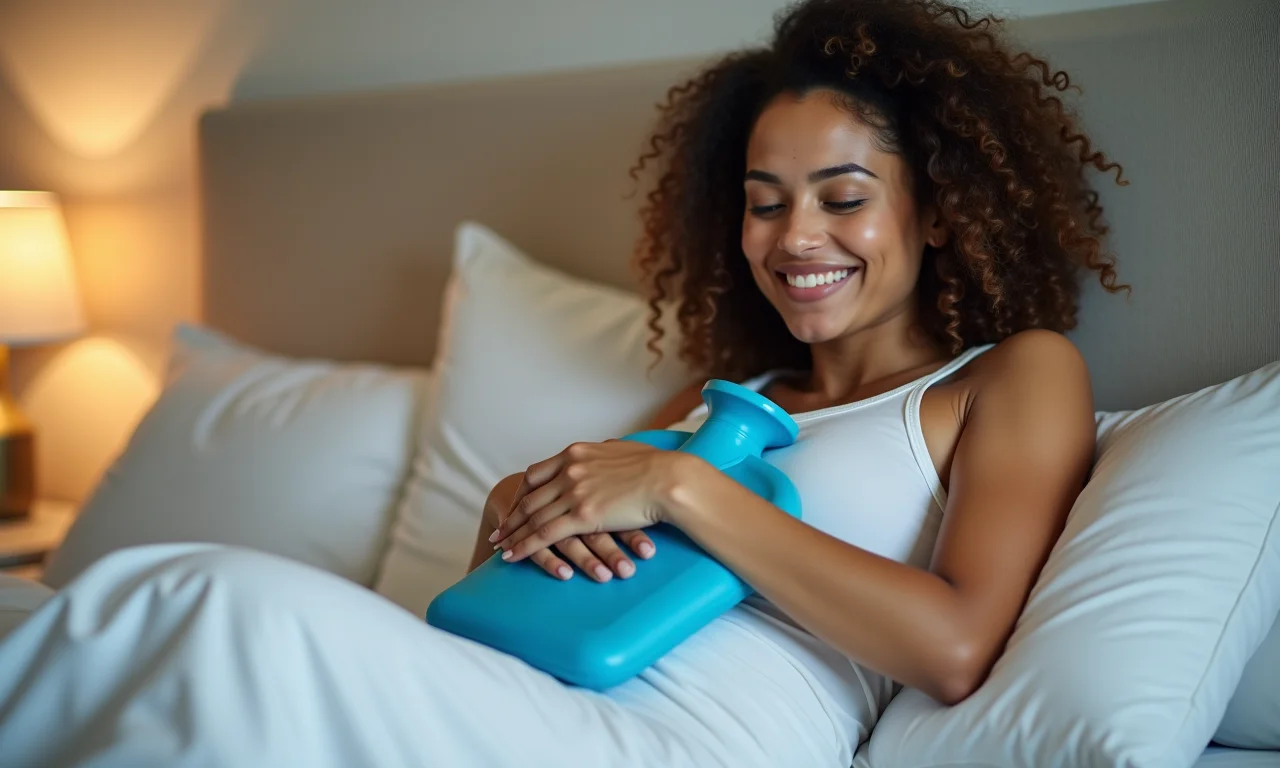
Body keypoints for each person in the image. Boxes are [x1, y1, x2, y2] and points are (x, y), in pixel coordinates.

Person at [0, 1, 1127, 766]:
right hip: (537, 694)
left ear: (933, 207)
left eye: (841, 196)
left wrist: (681, 492)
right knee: (113, 601)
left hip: (695, 739)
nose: (794, 236)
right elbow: (566, 566)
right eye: (763, 198)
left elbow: (954, 647)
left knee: (208, 606)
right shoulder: (731, 393)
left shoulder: (1011, 377)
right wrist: (514, 525)